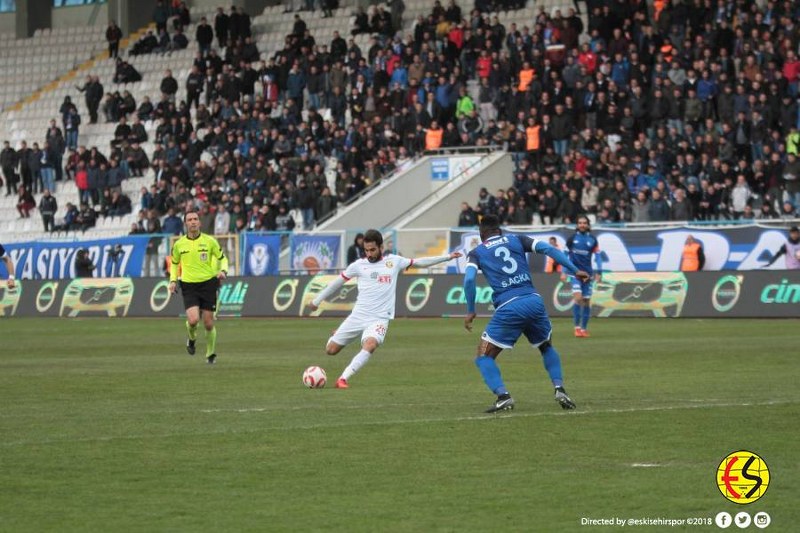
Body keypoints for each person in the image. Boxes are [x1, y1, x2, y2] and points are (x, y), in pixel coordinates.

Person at [463, 215, 587, 413]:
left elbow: (469, 281)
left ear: (481, 233)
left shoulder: (476, 253)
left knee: (483, 356)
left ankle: (503, 396)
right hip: (534, 301)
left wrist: (470, 310)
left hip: (509, 306)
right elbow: (549, 249)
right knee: (546, 346)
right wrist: (574, 270)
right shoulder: (517, 239)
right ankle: (559, 388)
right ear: (499, 230)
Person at [308, 229, 461, 388]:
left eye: (372, 249)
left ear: (381, 247)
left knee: (370, 345)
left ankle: (343, 378)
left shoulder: (394, 261)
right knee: (331, 350)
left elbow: (420, 262)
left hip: (379, 318)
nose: (369, 253)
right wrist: (317, 300)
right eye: (366, 250)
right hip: (358, 315)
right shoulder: (358, 265)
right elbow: (337, 283)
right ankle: (337, 335)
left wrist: (447, 257)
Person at [168, 211, 229, 364]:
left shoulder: (210, 241)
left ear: (200, 223)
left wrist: (223, 271)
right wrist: (173, 280)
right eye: (190, 220)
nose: (193, 222)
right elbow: (175, 264)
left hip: (208, 284)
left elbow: (223, 258)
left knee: (208, 323)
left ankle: (210, 353)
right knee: (194, 320)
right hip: (188, 285)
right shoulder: (179, 244)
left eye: (195, 219)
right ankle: (191, 338)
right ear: (185, 224)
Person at [566, 215, 602, 337]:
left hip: (588, 274)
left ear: (588, 225)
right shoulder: (571, 239)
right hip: (575, 273)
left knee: (586, 301)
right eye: (580, 223)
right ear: (577, 225)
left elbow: (597, 256)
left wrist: (599, 271)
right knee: (578, 298)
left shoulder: (592, 239)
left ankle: (583, 329)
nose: (582, 225)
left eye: (584, 223)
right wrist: (563, 271)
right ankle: (576, 328)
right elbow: (565, 256)